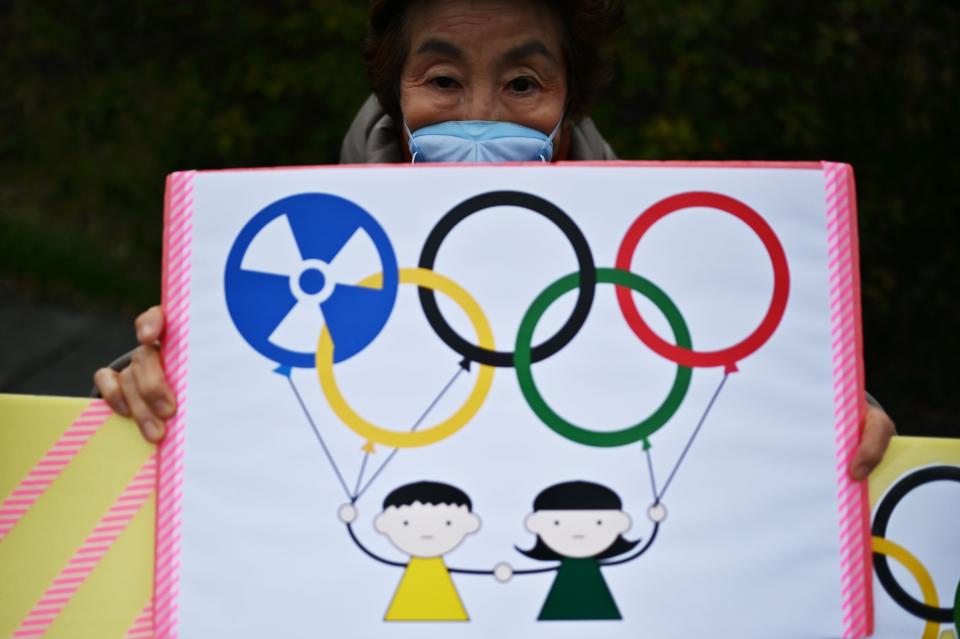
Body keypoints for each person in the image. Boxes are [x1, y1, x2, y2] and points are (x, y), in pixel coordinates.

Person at [93, 0, 895, 480]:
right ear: (395, 98)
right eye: (443, 80)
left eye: (521, 82)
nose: (481, 114)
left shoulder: (677, 285)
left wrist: (806, 416)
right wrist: (161, 388)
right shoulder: (295, 274)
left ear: (568, 102)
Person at [513, 480, 659, 621]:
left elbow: (637, 552)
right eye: (557, 523)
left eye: (599, 523)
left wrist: (656, 521)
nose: (577, 530)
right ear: (535, 525)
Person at [337, 480, 482, 621]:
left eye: (447, 523)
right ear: (383, 523)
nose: (426, 530)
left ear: (471, 523)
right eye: (406, 523)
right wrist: (349, 523)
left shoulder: (436, 569)